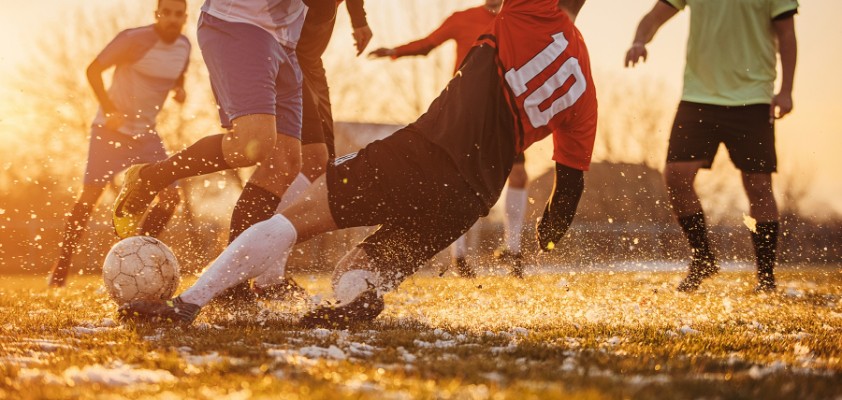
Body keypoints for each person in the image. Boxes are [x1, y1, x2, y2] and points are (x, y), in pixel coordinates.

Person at [118, 0, 595, 328]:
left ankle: (188, 305)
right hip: (471, 198)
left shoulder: (533, 12)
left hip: (419, 155)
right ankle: (356, 297)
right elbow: (567, 190)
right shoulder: (585, 86)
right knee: (359, 266)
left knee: (293, 218)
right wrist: (548, 236)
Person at [111, 0, 323, 273]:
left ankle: (231, 283)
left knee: (285, 163)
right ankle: (151, 177)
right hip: (240, 23)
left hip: (285, 39)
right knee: (252, 143)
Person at [625, 0, 798, 292]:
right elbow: (655, 16)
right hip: (698, 96)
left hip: (752, 97)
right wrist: (639, 40)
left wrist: (786, 90)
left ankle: (766, 278)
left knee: (758, 185)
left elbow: (787, 36)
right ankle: (703, 257)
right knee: (676, 176)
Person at [368, 0, 529, 278]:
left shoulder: (515, 20)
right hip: (464, 110)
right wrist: (396, 50)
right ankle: (460, 256)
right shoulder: (462, 18)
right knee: (460, 178)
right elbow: (429, 43)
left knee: (519, 175)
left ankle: (512, 250)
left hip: (502, 109)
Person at [47, 0, 190, 288]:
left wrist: (179, 89)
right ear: (157, 15)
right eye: (167, 13)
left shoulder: (184, 47)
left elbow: (177, 74)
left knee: (171, 198)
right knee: (90, 196)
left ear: (184, 17)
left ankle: (138, 258)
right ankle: (61, 267)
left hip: (146, 135)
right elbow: (92, 70)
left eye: (178, 14)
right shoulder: (132, 39)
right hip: (110, 132)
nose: (172, 19)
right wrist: (109, 108)